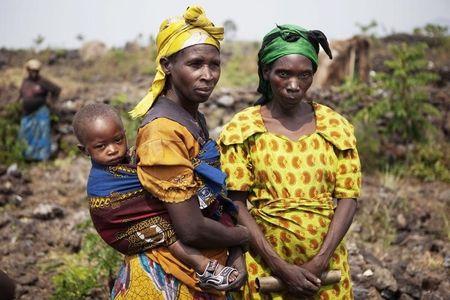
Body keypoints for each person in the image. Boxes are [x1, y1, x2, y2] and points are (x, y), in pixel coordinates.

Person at [111, 6, 249, 299]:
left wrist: (233, 249)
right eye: (196, 64)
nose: (208, 75)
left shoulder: (192, 118)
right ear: (167, 65)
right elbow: (190, 229)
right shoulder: (163, 131)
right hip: (167, 275)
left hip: (201, 272)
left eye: (215, 65)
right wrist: (244, 236)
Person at [219, 24, 361, 299]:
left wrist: (320, 261)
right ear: (266, 73)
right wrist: (280, 267)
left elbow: (348, 198)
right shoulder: (243, 128)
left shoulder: (335, 127)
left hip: (325, 273)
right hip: (265, 269)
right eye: (284, 74)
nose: (294, 85)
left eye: (304, 75)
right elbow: (236, 203)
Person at [72, 103, 240, 291]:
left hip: (140, 215)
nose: (112, 149)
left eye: (117, 140)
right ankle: (205, 267)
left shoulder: (132, 156)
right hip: (120, 225)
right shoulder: (102, 180)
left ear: (125, 134)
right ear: (84, 150)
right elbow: (114, 206)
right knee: (168, 231)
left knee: (183, 217)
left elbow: (150, 174)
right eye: (101, 146)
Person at [18, 59, 61, 161]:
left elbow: (56, 90)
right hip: (27, 113)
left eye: (36, 71)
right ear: (28, 70)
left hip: (40, 112)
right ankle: (27, 157)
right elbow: (21, 94)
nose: (34, 73)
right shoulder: (25, 81)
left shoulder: (42, 81)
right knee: (26, 134)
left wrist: (51, 102)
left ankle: (42, 158)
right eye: (32, 70)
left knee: (41, 134)